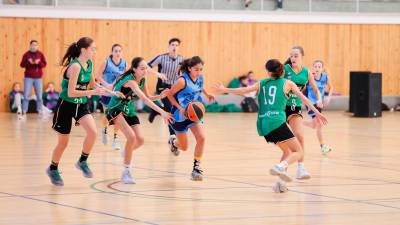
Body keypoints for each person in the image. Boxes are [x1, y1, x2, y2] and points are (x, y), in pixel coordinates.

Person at [213, 59, 327, 192]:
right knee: (299, 151)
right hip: (277, 121)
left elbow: (244, 90)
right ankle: (281, 166)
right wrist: (317, 112)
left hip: (263, 125)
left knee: (287, 151)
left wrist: (224, 89)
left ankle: (279, 183)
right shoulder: (288, 83)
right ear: (282, 70)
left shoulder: (262, 83)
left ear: (268, 72)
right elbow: (304, 98)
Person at [46, 37, 122, 186]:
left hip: (80, 105)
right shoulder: (75, 67)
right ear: (83, 50)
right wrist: (92, 92)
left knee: (93, 132)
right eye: (92, 49)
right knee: (63, 143)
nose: (95, 51)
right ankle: (53, 168)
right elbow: (71, 92)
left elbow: (94, 84)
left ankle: (82, 161)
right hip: (66, 105)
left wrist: (112, 92)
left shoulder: (89, 63)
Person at [106, 57, 173, 184]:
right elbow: (145, 100)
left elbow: (148, 97)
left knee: (140, 140)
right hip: (115, 108)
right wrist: (162, 111)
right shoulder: (130, 81)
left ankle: (126, 152)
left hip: (128, 109)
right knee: (131, 137)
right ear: (134, 69)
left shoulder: (142, 79)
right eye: (142, 69)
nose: (145, 71)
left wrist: (160, 96)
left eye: (146, 68)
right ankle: (126, 172)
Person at [166, 56, 215, 181]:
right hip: (179, 115)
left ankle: (196, 169)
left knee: (202, 138)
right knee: (184, 147)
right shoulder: (182, 81)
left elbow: (200, 87)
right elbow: (169, 95)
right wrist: (179, 107)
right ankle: (173, 143)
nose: (199, 72)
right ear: (189, 68)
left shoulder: (200, 77)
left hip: (193, 112)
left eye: (201, 69)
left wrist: (207, 94)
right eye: (196, 69)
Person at [283, 46, 323, 180]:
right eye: (291, 56)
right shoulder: (285, 70)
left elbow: (316, 89)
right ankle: (282, 172)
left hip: (295, 108)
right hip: (281, 107)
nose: (293, 58)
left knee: (300, 136)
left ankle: (301, 168)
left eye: (296, 56)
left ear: (302, 57)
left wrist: (319, 99)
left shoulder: (306, 72)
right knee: (286, 142)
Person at [147, 38, 184, 155]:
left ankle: (156, 112)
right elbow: (146, 66)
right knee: (169, 109)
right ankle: (172, 136)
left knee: (173, 109)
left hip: (175, 88)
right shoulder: (161, 57)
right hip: (163, 87)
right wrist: (157, 73)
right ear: (169, 47)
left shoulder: (182, 60)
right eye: (172, 45)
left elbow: (186, 73)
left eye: (176, 45)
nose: (174, 47)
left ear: (179, 47)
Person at [96, 43, 127, 150]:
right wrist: (107, 85)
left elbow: (124, 78)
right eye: (116, 51)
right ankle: (104, 130)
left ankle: (116, 138)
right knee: (108, 115)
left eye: (119, 51)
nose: (118, 53)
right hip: (106, 92)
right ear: (112, 52)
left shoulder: (124, 63)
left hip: (117, 93)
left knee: (118, 116)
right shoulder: (106, 62)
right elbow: (97, 76)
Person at [303, 60, 333, 154]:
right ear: (313, 68)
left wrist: (329, 97)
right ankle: (323, 146)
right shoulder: (309, 77)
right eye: (315, 66)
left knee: (314, 125)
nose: (317, 68)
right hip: (311, 103)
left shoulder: (325, 77)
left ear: (322, 68)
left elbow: (331, 87)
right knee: (319, 124)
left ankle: (298, 122)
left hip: (320, 103)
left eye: (319, 67)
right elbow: (302, 89)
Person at [20, 40, 47, 118]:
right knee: (26, 95)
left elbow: (44, 64)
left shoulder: (40, 54)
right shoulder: (26, 54)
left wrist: (38, 63)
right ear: (30, 45)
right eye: (32, 45)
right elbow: (21, 65)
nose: (34, 46)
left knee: (39, 95)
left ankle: (40, 110)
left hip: (38, 78)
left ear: (37, 46)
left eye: (35, 45)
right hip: (28, 78)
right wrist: (29, 62)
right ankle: (24, 111)